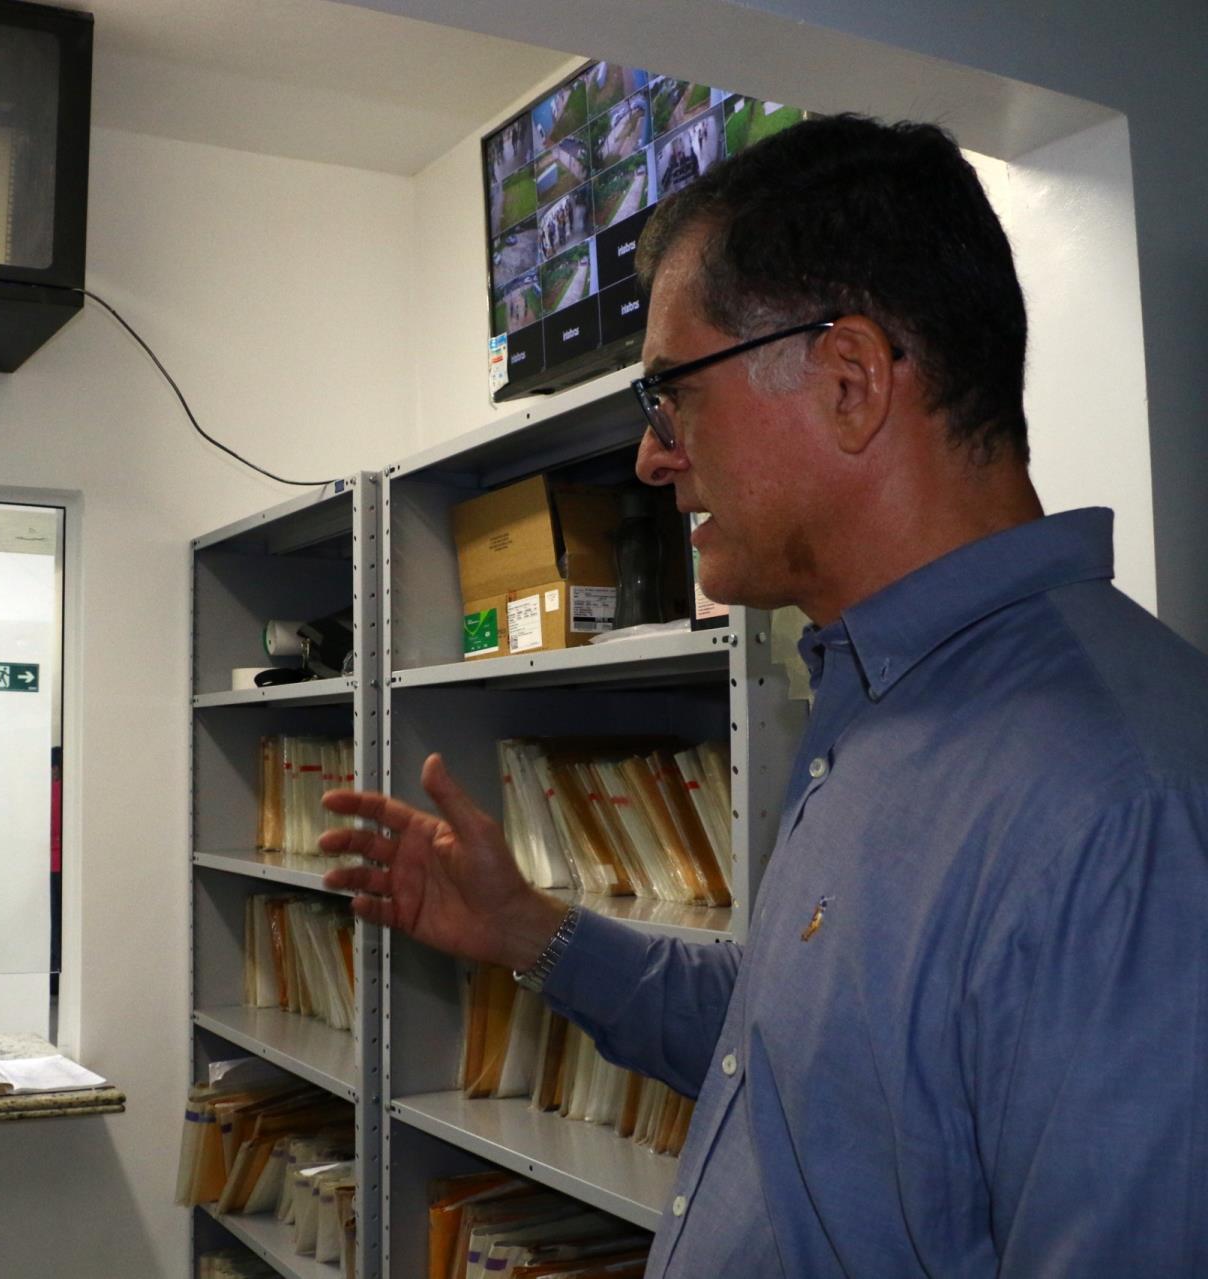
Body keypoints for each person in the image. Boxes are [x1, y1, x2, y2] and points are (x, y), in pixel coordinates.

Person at [323, 114, 1208, 1276]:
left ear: (849, 381)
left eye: (671, 394)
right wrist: (529, 932)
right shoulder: (878, 701)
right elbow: (797, 1044)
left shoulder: (1129, 807)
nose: (652, 456)